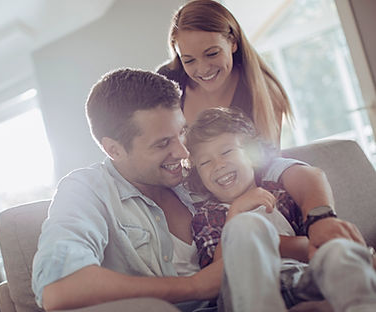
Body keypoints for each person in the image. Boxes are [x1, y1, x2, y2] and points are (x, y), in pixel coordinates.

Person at [31, 68, 367, 312]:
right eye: (163, 143)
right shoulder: (86, 191)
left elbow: (289, 170)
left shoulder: (197, 170)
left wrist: (320, 217)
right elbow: (59, 289)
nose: (182, 152)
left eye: (181, 133)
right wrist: (196, 285)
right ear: (113, 149)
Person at [185, 107, 376, 311]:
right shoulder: (206, 216)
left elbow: (315, 245)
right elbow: (219, 276)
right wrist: (235, 214)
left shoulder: (280, 194)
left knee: (339, 250)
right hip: (248, 291)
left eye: (226, 151)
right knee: (245, 225)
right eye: (205, 162)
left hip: (304, 277)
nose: (218, 165)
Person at [157, 0, 291, 147]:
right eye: (189, 61)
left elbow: (268, 164)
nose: (203, 69)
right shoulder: (166, 81)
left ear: (233, 42)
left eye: (212, 53)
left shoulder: (265, 93)